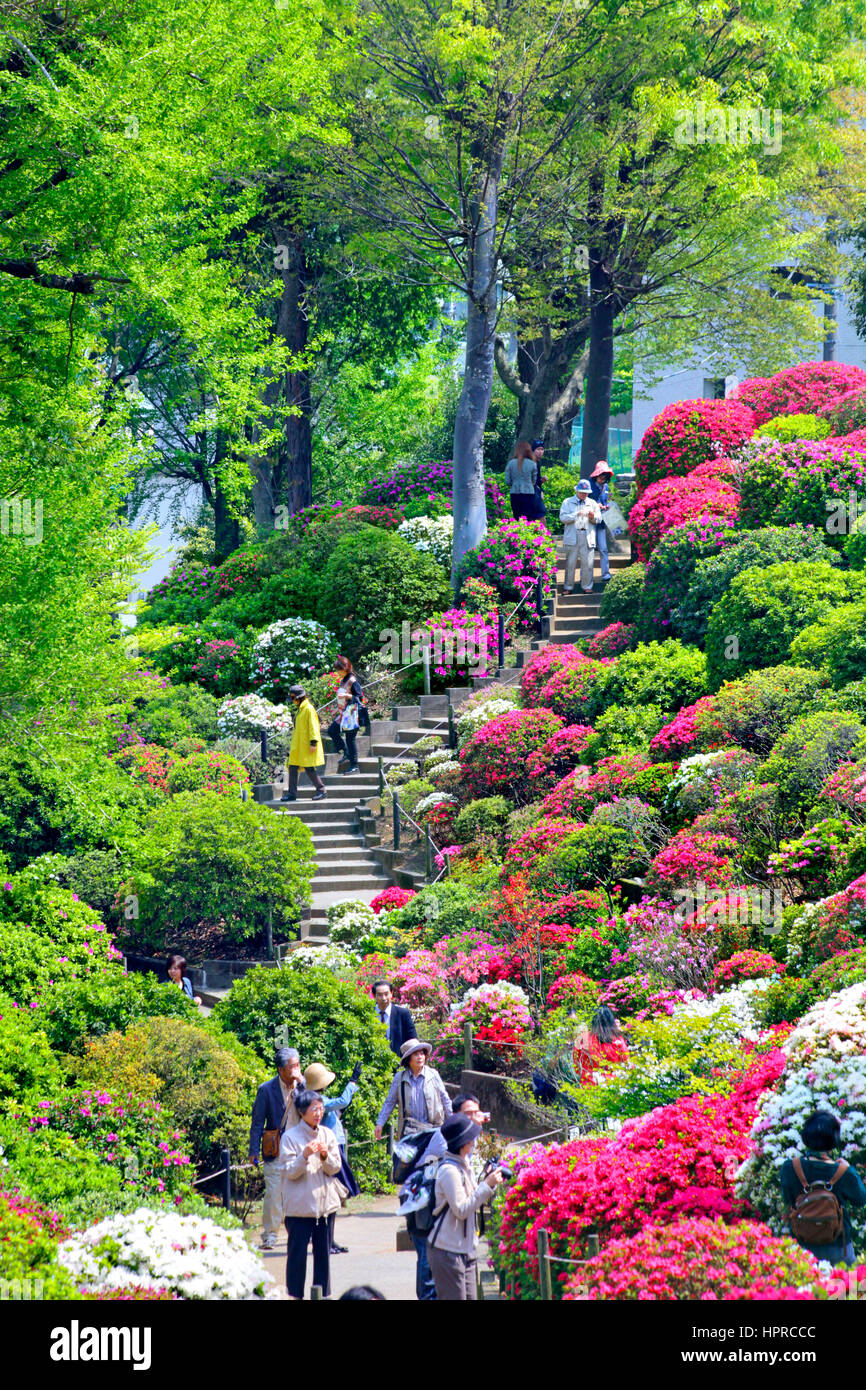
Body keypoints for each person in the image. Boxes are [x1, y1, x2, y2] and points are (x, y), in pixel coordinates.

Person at [400, 1093, 491, 1301]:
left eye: (476, 1112)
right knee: (429, 1270)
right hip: (433, 1217)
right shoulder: (447, 1144)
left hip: (459, 1238)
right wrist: (487, 1185)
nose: (474, 1117)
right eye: (468, 1114)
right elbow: (461, 1205)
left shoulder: (464, 1149)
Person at [426, 1113, 504, 1301]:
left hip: (465, 1249)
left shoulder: (463, 1166)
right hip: (448, 1251)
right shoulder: (449, 1171)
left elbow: (471, 1198)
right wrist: (487, 1186)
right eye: (471, 1138)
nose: (474, 1141)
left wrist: (486, 1182)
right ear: (463, 1143)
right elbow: (461, 1209)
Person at [280, 1089, 344, 1300]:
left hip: (325, 1208)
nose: (318, 1113)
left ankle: (323, 1296)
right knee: (297, 1257)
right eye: (314, 1109)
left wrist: (325, 1155)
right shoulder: (290, 1137)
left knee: (323, 1257)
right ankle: (294, 1295)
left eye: (321, 1108)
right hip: (300, 1209)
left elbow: (335, 1168)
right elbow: (289, 1171)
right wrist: (304, 1155)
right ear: (302, 1111)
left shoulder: (327, 1133)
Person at [780, 1111, 866, 1266]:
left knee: (803, 1289)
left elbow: (787, 1199)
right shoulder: (843, 1172)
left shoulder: (790, 1168)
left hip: (802, 1248)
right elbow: (861, 1199)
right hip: (839, 1250)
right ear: (834, 1139)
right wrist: (850, 1170)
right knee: (852, 1288)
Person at [303, 1060, 362, 1255]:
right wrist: (352, 1083)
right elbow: (342, 1101)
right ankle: (326, 1243)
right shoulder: (317, 1101)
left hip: (335, 1145)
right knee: (331, 1194)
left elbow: (340, 1107)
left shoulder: (320, 1099)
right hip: (331, 1147)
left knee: (335, 1195)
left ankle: (331, 1241)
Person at [249, 1046, 304, 1250]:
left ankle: (297, 1233)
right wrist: (254, 1151)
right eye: (292, 1066)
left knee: (297, 1193)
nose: (297, 1069)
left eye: (298, 1065)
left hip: (299, 1150)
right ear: (280, 1069)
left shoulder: (301, 1087)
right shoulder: (266, 1089)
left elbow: (311, 1108)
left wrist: (303, 1085)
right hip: (275, 1149)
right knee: (273, 1194)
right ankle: (270, 1234)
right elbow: (257, 1122)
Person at [374, 1039, 452, 1141]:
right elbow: (390, 1102)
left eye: (422, 1053)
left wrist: (452, 1120)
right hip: (409, 1131)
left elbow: (445, 1099)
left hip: (433, 1130)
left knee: (430, 1157)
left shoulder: (433, 1075)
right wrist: (380, 1123)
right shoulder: (400, 1078)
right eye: (415, 1054)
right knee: (408, 1157)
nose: (420, 1057)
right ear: (408, 1058)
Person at [281, 683, 326, 802]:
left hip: (306, 744)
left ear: (298, 697)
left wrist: (313, 742)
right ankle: (292, 794)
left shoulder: (308, 709)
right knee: (293, 767)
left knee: (309, 768)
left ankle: (321, 790)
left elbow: (313, 727)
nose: (292, 700)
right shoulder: (301, 709)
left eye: (293, 697)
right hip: (299, 745)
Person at [559, 479, 602, 594]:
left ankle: (587, 586)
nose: (584, 494)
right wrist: (575, 514)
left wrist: (592, 516)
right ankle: (568, 587)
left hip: (587, 535)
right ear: (577, 490)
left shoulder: (592, 503)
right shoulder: (567, 502)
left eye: (586, 492)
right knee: (570, 563)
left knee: (588, 563)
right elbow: (563, 518)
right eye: (582, 492)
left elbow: (599, 519)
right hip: (573, 535)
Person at [573, 1006, 629, 1084]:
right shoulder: (617, 1039)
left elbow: (577, 1066)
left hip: (589, 1085)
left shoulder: (582, 1038)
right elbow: (626, 1063)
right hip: (612, 1085)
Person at [327, 655, 363, 776]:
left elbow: (360, 698)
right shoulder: (344, 679)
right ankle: (346, 752)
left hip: (353, 714)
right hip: (344, 714)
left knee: (350, 739)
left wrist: (347, 696)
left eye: (339, 670)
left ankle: (354, 766)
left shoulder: (353, 680)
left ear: (346, 668)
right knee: (332, 731)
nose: (338, 672)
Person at [371, 979, 416, 1057]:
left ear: (391, 994)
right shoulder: (368, 1014)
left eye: (386, 994)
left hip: (398, 1064)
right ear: (374, 996)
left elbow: (412, 1041)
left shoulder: (403, 1014)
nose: (383, 998)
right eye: (380, 995)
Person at [589, 460, 614, 582]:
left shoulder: (606, 487)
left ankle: (606, 574)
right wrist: (595, 505)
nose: (602, 479)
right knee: (589, 549)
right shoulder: (588, 485)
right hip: (590, 521)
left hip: (601, 522)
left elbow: (605, 500)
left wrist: (606, 506)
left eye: (604, 477)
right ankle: (588, 576)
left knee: (603, 548)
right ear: (596, 475)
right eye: (600, 477)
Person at [504, 441, 539, 521]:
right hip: (529, 493)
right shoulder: (532, 464)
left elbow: (507, 481)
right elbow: (534, 481)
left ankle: (516, 533)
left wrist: (515, 483)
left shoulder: (511, 463)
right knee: (528, 517)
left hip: (515, 492)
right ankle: (527, 533)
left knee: (516, 516)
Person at [530, 437, 546, 520]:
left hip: (535, 492)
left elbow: (537, 481)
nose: (540, 451)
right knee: (541, 515)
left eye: (542, 449)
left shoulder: (537, 462)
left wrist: (541, 483)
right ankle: (543, 533)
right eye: (538, 449)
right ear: (533, 450)